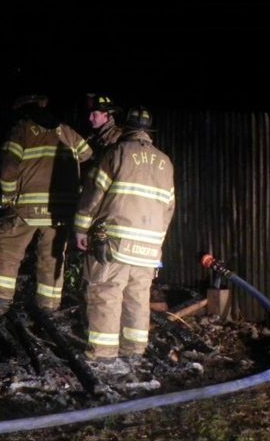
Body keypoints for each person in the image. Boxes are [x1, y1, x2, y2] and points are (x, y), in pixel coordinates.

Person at [73, 106, 176, 362]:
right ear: (148, 132)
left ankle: (103, 354)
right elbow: (169, 208)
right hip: (149, 248)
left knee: (106, 293)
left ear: (127, 129)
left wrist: (81, 229)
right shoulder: (165, 162)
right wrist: (157, 245)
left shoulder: (116, 153)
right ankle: (134, 351)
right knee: (138, 298)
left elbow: (93, 195)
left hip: (114, 244)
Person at [0, 94, 92, 314]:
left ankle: (1, 299)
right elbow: (87, 154)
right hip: (61, 210)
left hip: (27, 208)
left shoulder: (21, 130)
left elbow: (8, 169)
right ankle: (49, 306)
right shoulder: (67, 132)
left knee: (8, 249)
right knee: (52, 257)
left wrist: (7, 197)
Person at [83, 93, 123, 159]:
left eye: (94, 115)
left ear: (105, 115)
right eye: (90, 114)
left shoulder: (117, 138)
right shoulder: (92, 135)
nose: (90, 118)